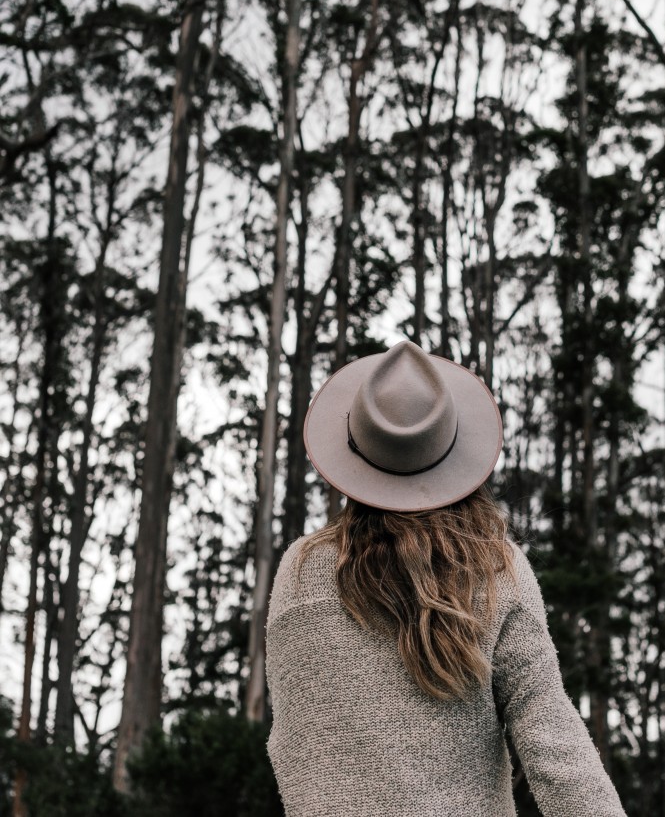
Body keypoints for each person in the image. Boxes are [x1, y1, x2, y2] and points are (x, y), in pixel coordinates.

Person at [265, 339, 628, 817]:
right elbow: (555, 747)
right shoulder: (496, 570)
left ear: (353, 450)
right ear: (453, 450)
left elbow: (293, 745)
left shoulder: (300, 572)